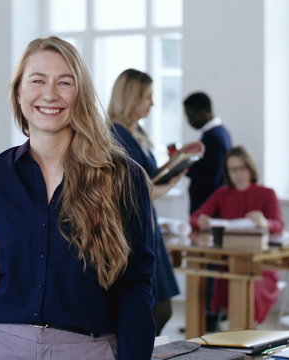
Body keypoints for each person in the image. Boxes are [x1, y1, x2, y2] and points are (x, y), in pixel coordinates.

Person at [0, 37, 156, 360]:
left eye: (65, 82)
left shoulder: (123, 177)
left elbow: (136, 281)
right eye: (37, 80)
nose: (49, 94)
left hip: (88, 349)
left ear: (81, 95)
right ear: (19, 92)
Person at [108, 69, 188, 335]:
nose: (152, 103)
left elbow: (148, 176)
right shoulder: (114, 136)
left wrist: (174, 166)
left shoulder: (136, 131)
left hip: (147, 224)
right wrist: (170, 185)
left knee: (161, 306)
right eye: (148, 97)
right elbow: (134, 189)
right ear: (131, 98)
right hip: (131, 227)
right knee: (152, 308)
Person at [190, 145, 283, 323]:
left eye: (242, 168)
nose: (238, 174)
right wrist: (200, 221)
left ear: (250, 168)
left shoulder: (267, 194)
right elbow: (195, 218)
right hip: (229, 262)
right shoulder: (222, 193)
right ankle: (231, 333)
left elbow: (278, 224)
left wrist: (265, 223)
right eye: (233, 170)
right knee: (222, 282)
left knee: (249, 287)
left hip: (260, 264)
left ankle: (245, 333)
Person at [182, 92, 232, 215]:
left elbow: (211, 177)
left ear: (202, 113)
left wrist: (183, 165)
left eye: (190, 115)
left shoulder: (213, 137)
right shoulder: (220, 131)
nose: (188, 120)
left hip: (208, 206)